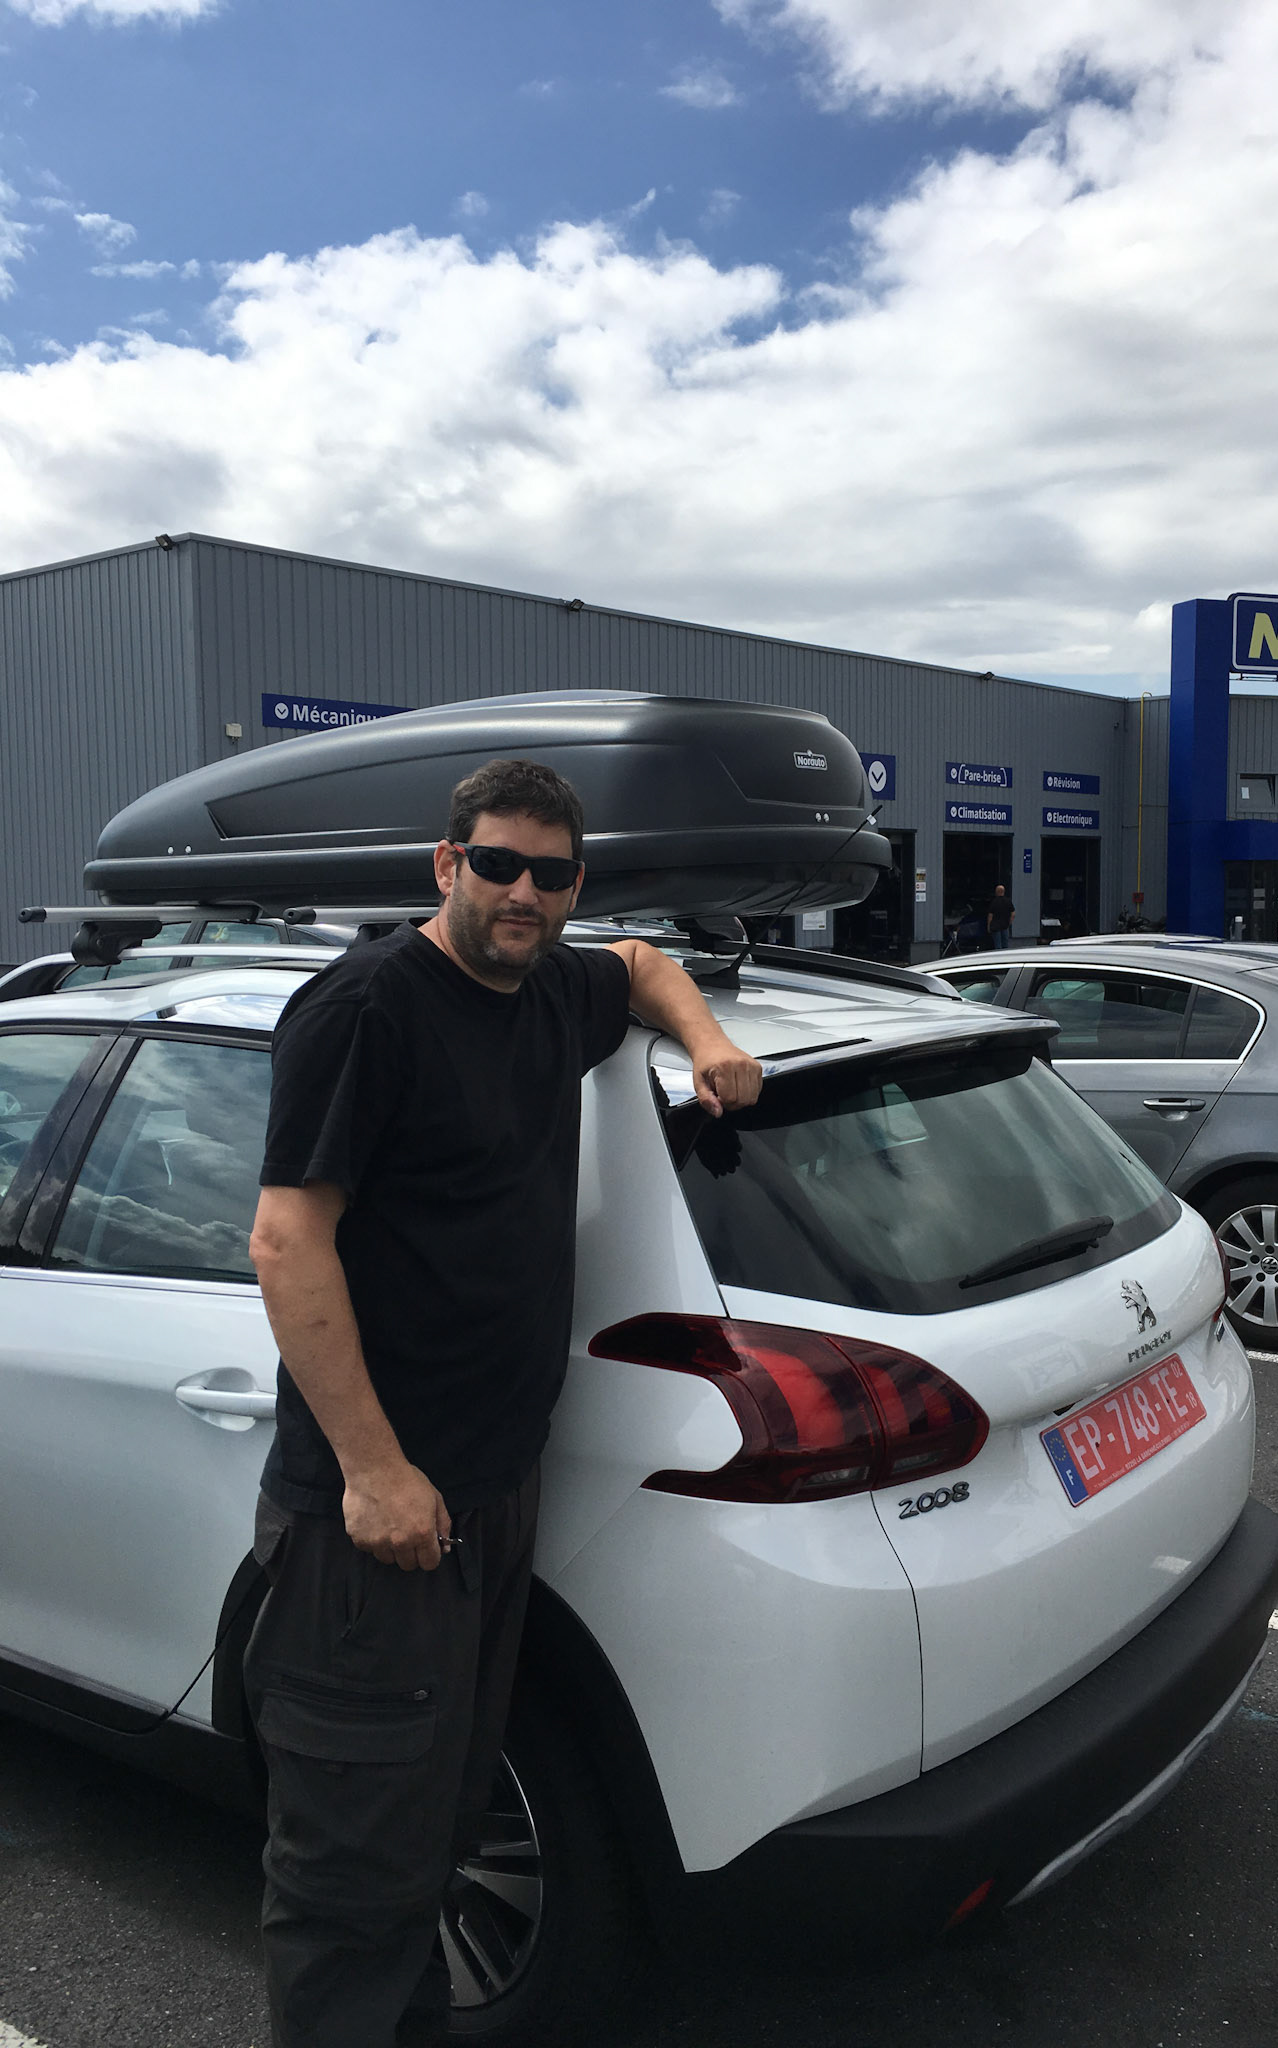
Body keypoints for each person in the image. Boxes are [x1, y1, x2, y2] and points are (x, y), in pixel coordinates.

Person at [244, 756, 763, 2048]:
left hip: (492, 1500)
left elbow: (639, 966)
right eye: (496, 864)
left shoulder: (552, 991)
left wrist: (708, 1038)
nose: (523, 892)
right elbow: (287, 1241)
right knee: (352, 1882)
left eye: (551, 872)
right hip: (374, 1532)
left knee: (431, 1841)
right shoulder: (366, 1009)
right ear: (447, 864)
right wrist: (374, 1470)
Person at [986, 883, 1015, 949]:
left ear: (996, 892)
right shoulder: (1008, 901)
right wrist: (1009, 922)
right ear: (1003, 892)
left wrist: (989, 925)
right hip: (1005, 925)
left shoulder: (994, 902)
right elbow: (1013, 914)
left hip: (995, 926)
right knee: (1005, 945)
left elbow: (990, 915)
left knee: (997, 945)